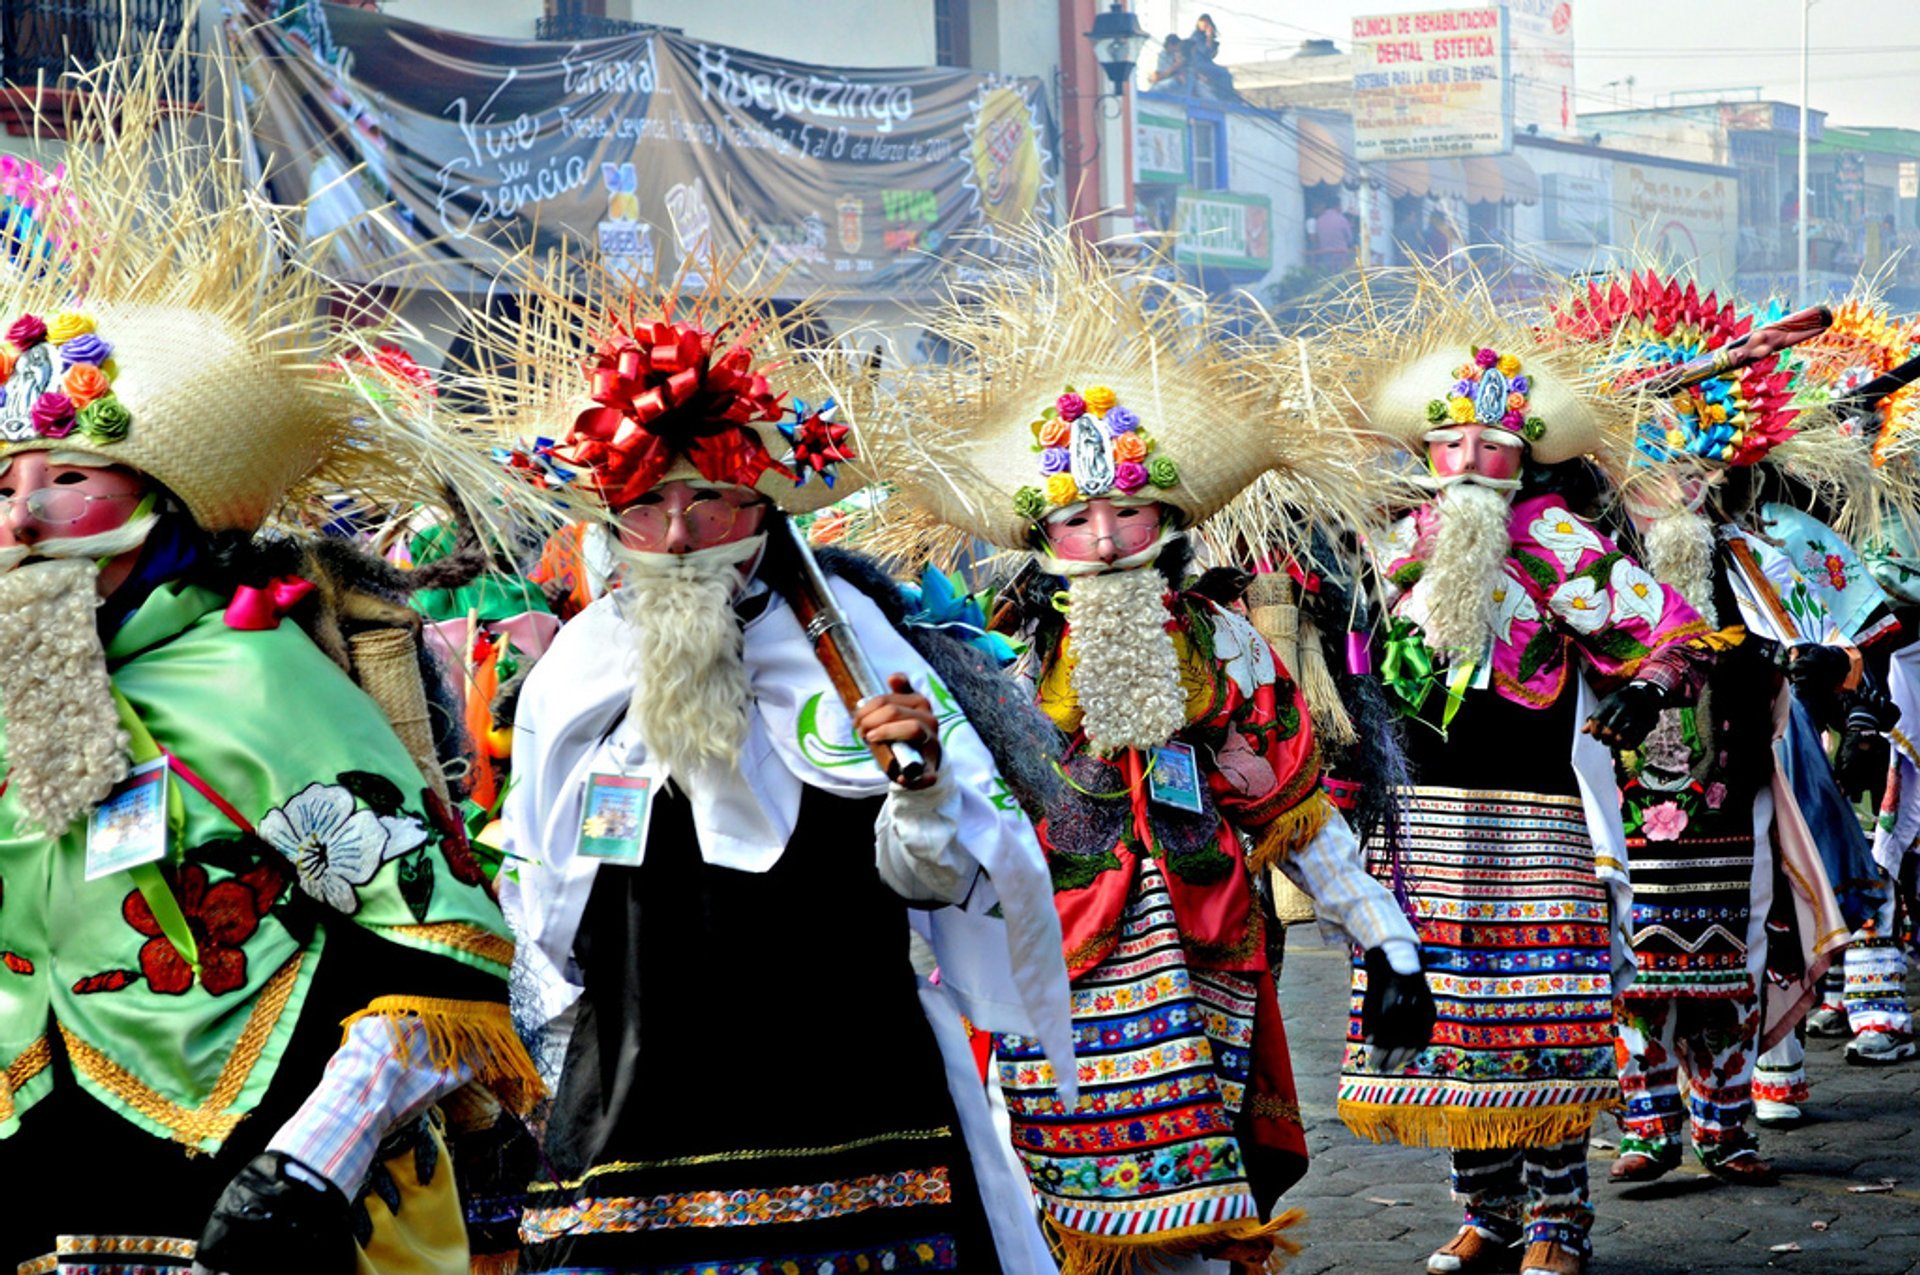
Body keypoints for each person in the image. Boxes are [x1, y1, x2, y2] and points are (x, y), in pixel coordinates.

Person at [0, 63, 539, 1275]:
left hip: (255, 1210)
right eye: (2, 486)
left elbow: (435, 953)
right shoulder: (6, 705)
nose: (23, 518)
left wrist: (312, 1163)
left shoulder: (252, 676)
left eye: (66, 478)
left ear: (165, 504)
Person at [497, 262, 1075, 1273]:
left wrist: (925, 785)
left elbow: (934, 880)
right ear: (609, 521)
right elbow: (542, 911)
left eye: (709, 502)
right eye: (647, 506)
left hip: (849, 1094)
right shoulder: (573, 679)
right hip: (640, 1108)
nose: (677, 536)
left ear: (763, 510)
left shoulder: (859, 650)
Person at [876, 229, 1432, 1274]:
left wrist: (1389, 943)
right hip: (1047, 961)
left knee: (1204, 1218)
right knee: (1043, 1204)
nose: (1103, 536)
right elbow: (939, 828)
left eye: (1127, 509)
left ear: (1168, 518)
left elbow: (1290, 809)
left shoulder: (1222, 644)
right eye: (1078, 516)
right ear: (1042, 533)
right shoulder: (993, 653)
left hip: (1206, 946)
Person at [1335, 269, 1717, 1275]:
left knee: (1538, 1014)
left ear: (1522, 456)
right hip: (1421, 822)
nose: (1470, 461)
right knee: (1443, 1011)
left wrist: (1645, 686)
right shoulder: (1392, 546)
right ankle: (1484, 1215)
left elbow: (1674, 635)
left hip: (1534, 818)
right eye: (1452, 443)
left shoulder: (1557, 541)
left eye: (1492, 445)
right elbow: (1357, 676)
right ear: (1425, 453)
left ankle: (1558, 1222)